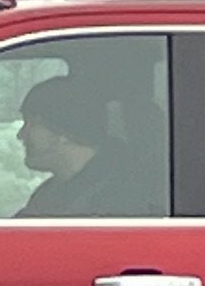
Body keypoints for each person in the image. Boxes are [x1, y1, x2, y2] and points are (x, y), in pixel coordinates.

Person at [15, 67, 155, 219]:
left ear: (63, 132)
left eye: (32, 124)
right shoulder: (49, 194)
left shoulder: (119, 202)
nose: (21, 135)